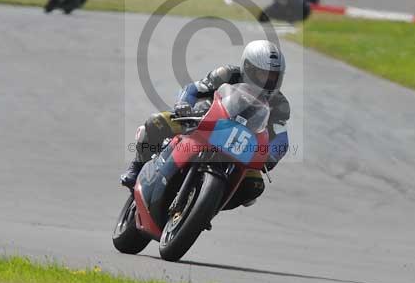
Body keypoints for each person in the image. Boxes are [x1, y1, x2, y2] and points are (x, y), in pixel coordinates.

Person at [120, 40, 290, 209]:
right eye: (263, 75)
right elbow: (193, 89)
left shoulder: (280, 104)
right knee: (155, 123)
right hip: (203, 120)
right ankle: (137, 166)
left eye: (273, 77)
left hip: (240, 144)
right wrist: (183, 105)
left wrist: (270, 156)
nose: (269, 81)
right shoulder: (227, 74)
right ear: (248, 68)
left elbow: (281, 137)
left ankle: (207, 208)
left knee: (254, 186)